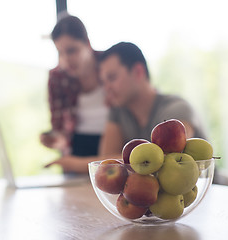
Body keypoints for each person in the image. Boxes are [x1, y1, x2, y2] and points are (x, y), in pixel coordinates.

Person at [45, 41, 207, 173]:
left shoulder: (176, 109)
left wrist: (73, 163)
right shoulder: (118, 111)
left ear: (137, 71)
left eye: (112, 78)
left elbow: (162, 160)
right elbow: (107, 164)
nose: (106, 88)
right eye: (104, 81)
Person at [40, 14, 109, 157]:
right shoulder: (57, 77)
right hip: (76, 151)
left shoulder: (108, 64)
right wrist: (55, 139)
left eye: (72, 50)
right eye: (60, 53)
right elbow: (59, 127)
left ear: (87, 44)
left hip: (113, 146)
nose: (66, 59)